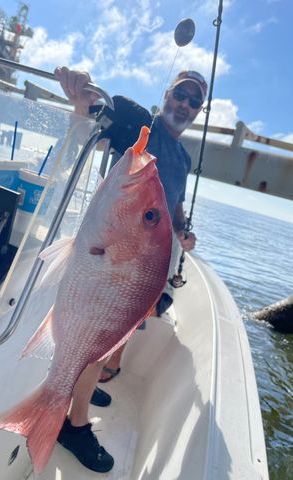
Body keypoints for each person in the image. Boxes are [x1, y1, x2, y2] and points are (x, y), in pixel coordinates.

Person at [54, 66, 207, 472]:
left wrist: (182, 228)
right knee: (103, 327)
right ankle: (75, 421)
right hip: (117, 249)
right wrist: (81, 97)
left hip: (149, 254)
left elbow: (173, 199)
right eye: (181, 95)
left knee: (124, 326)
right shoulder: (139, 122)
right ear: (167, 93)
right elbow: (100, 116)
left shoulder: (183, 155)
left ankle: (89, 382)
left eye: (195, 102)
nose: (186, 106)